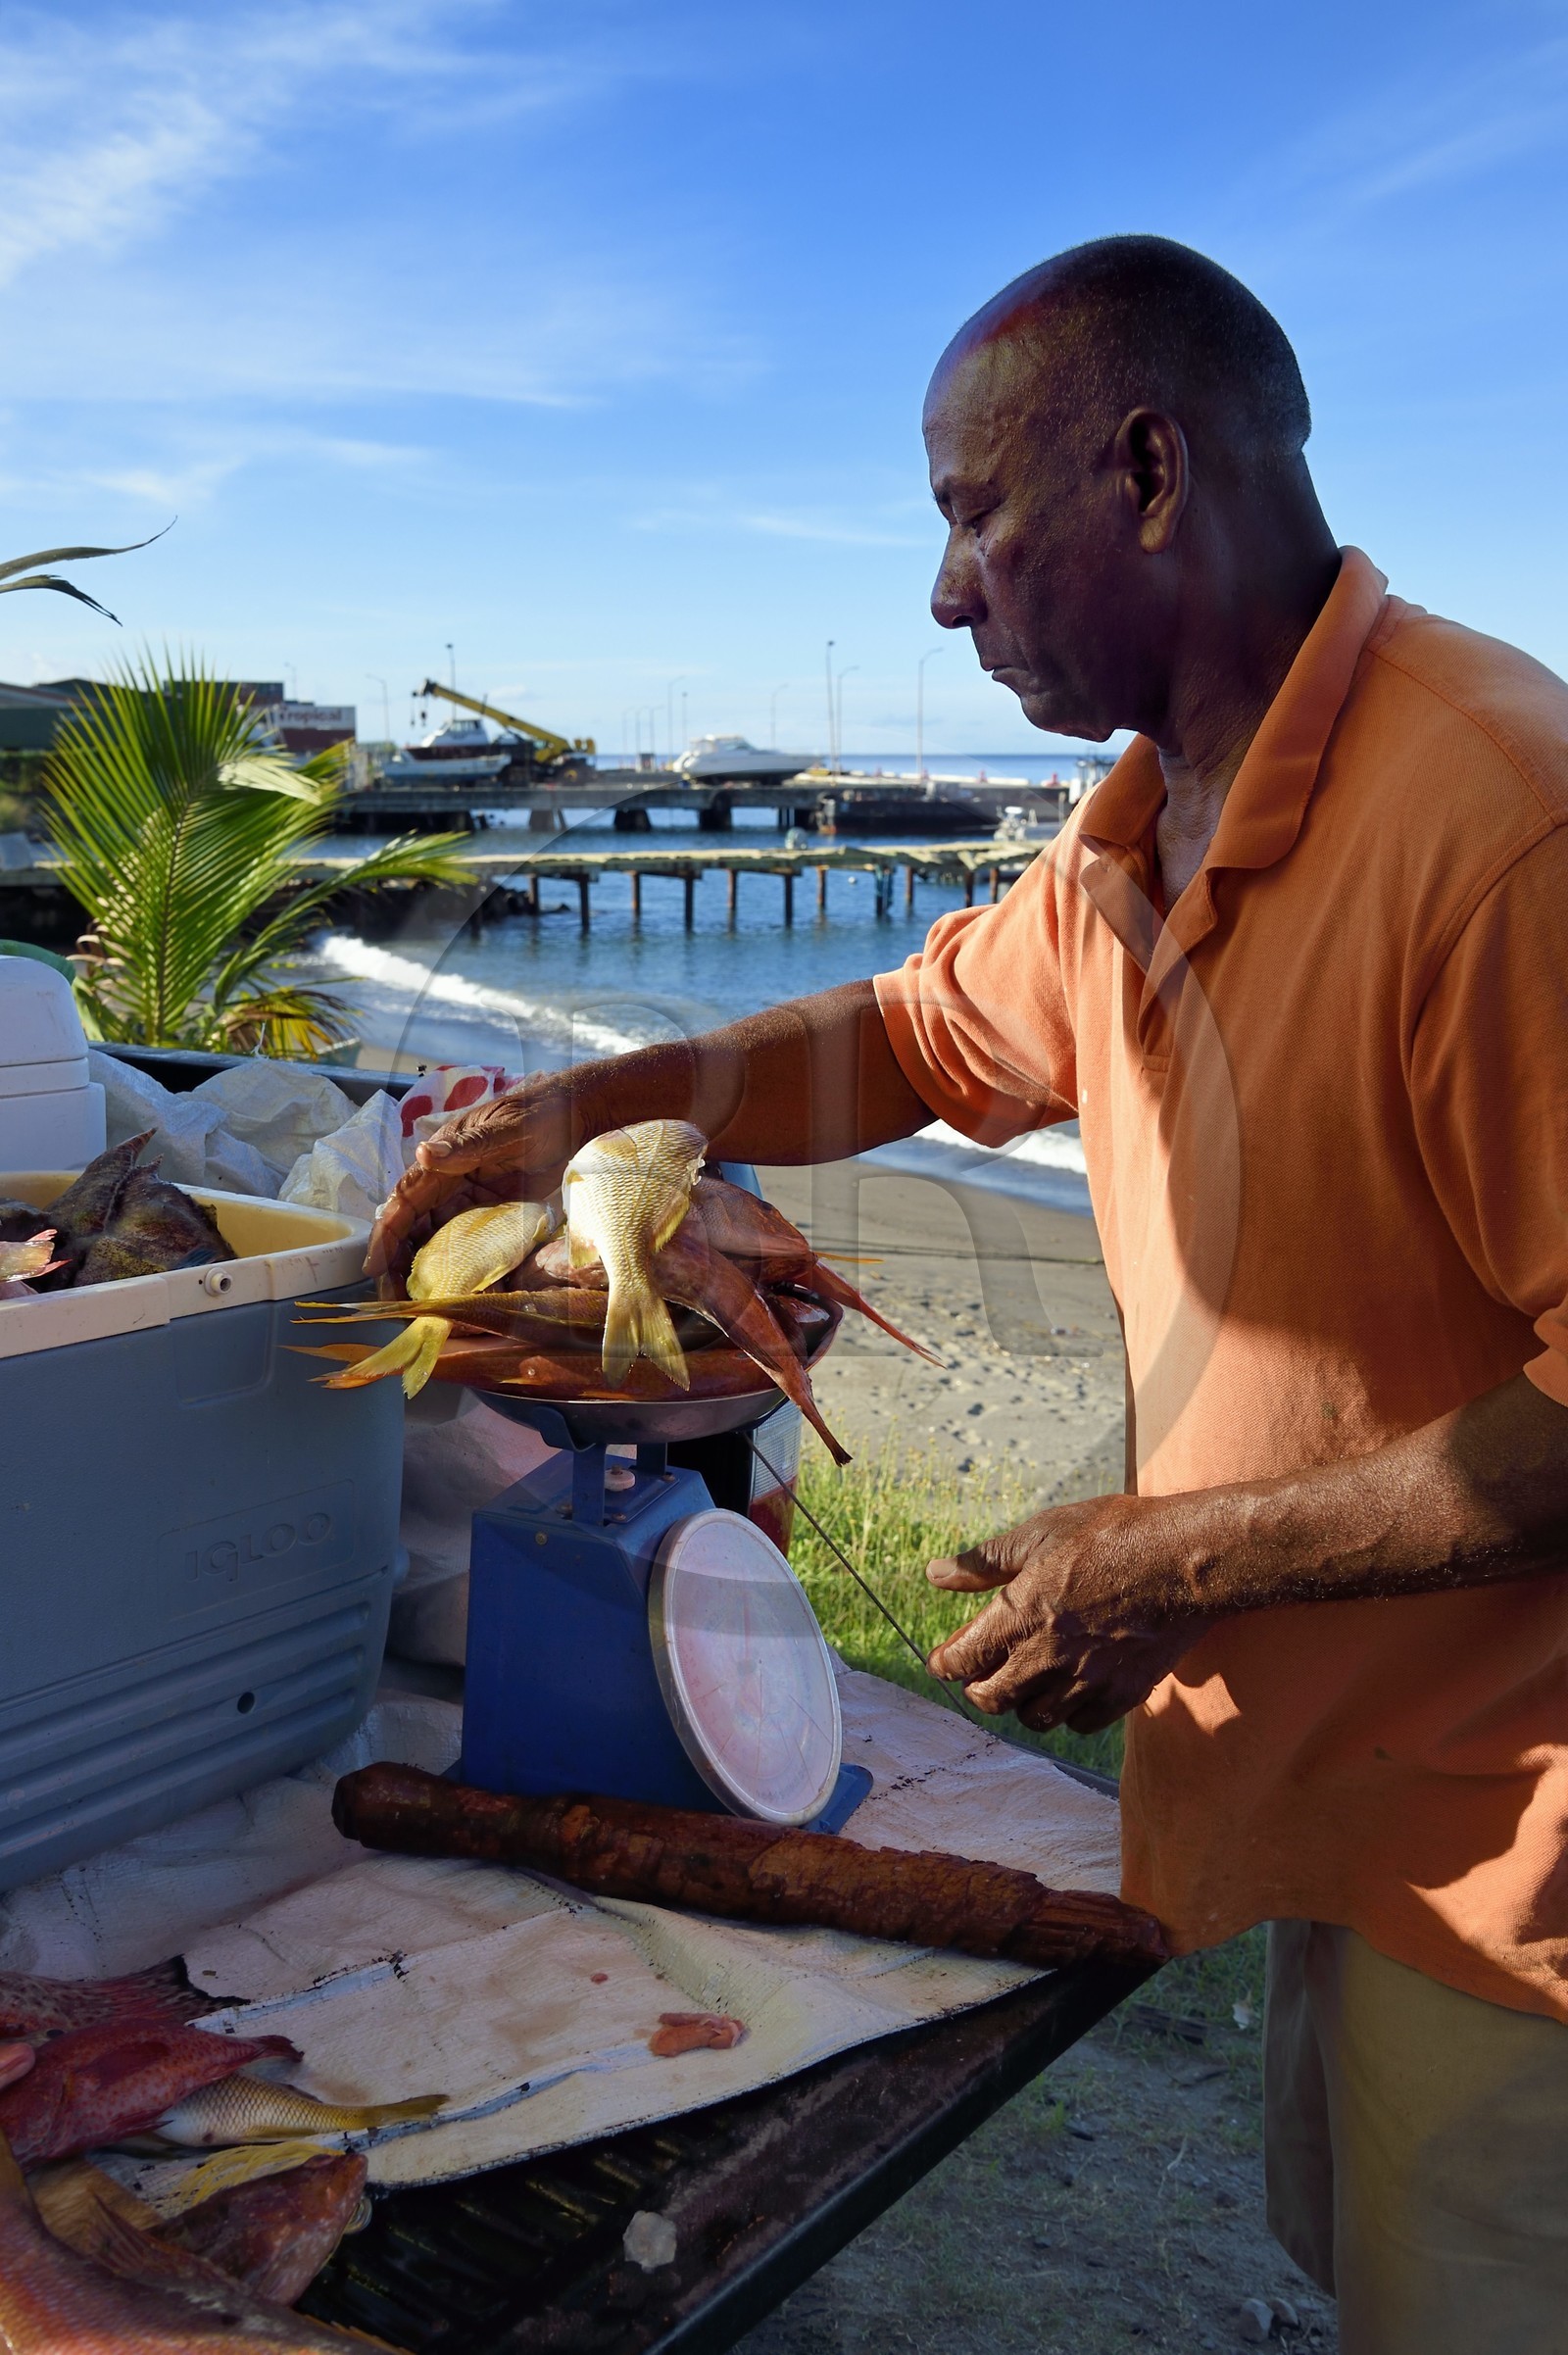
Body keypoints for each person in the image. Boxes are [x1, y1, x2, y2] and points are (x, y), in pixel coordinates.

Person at [371, 236, 1568, 2354]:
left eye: (968, 512)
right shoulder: (1135, 828)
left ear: (1147, 472)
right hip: (1358, 1780)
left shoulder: (1499, 823)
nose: (943, 594)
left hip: (1526, 1851)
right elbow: (907, 1038)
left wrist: (1176, 1554)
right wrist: (575, 1107)